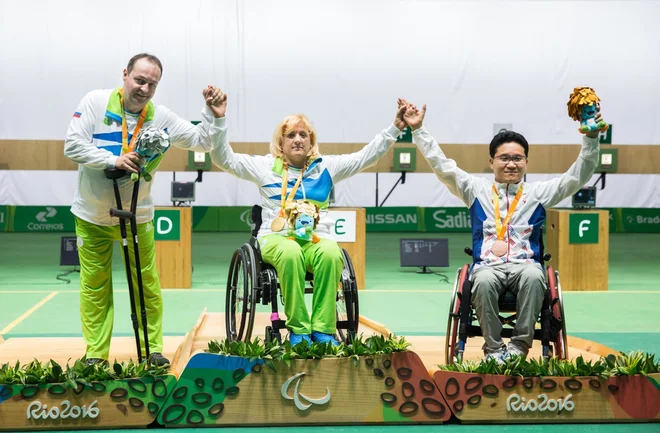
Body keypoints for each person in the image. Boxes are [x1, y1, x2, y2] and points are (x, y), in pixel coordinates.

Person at [399, 99, 601, 361]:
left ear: (526, 162)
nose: (511, 164)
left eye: (517, 158)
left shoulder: (538, 194)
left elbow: (578, 175)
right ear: (491, 161)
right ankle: (493, 350)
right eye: (504, 158)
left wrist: (592, 138)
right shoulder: (475, 189)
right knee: (480, 281)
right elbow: (442, 165)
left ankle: (518, 347)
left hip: (524, 265)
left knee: (533, 276)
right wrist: (419, 131)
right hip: (487, 267)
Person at [207, 90, 407, 346]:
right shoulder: (265, 167)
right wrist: (219, 121)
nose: (298, 139)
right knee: (290, 253)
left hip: (314, 238)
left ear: (312, 141)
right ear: (281, 142)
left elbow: (365, 156)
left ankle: (323, 330)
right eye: (291, 135)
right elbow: (223, 158)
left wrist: (396, 128)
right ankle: (299, 329)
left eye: (304, 135)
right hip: (276, 238)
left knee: (332, 253)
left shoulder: (326, 167)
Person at [64, 53, 225, 366]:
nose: (145, 88)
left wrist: (214, 115)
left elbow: (202, 142)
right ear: (125, 75)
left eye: (152, 84)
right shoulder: (95, 102)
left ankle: (152, 350)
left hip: (137, 216)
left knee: (145, 285)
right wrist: (113, 160)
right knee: (94, 287)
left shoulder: (160, 116)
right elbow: (72, 145)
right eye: (140, 80)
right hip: (91, 215)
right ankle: (96, 355)